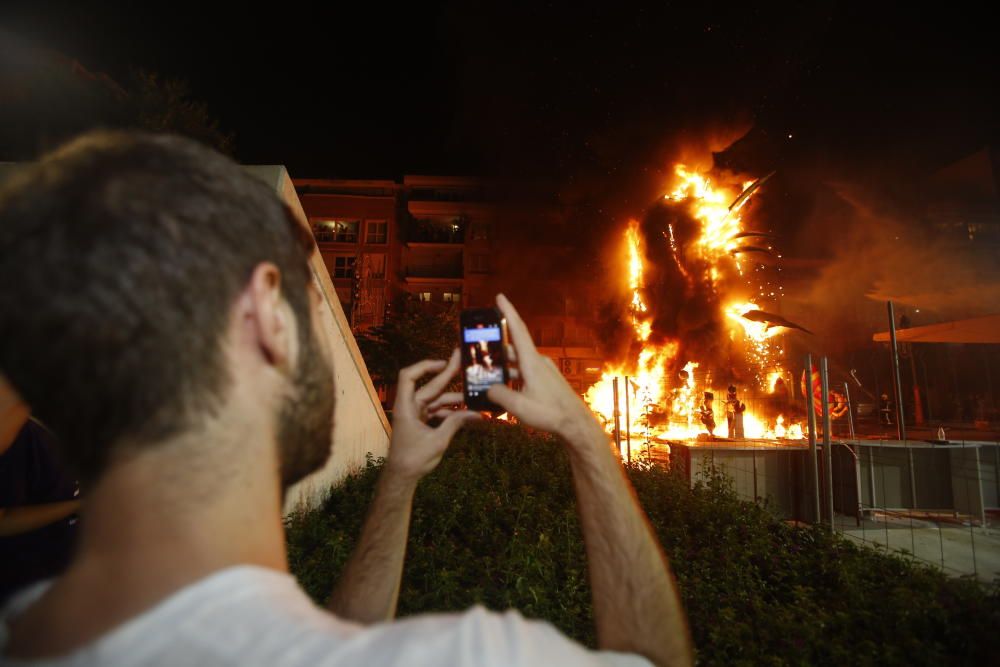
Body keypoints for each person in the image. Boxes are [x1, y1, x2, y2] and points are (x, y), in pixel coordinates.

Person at [0, 131, 692, 666]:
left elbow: (336, 643)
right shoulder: (480, 654)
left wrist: (399, 477)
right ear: (267, 317)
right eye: (313, 295)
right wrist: (582, 432)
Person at [0, 390, 80, 602]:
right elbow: (4, 520)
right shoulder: (17, 437)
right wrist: (75, 505)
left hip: (66, 568)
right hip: (29, 584)